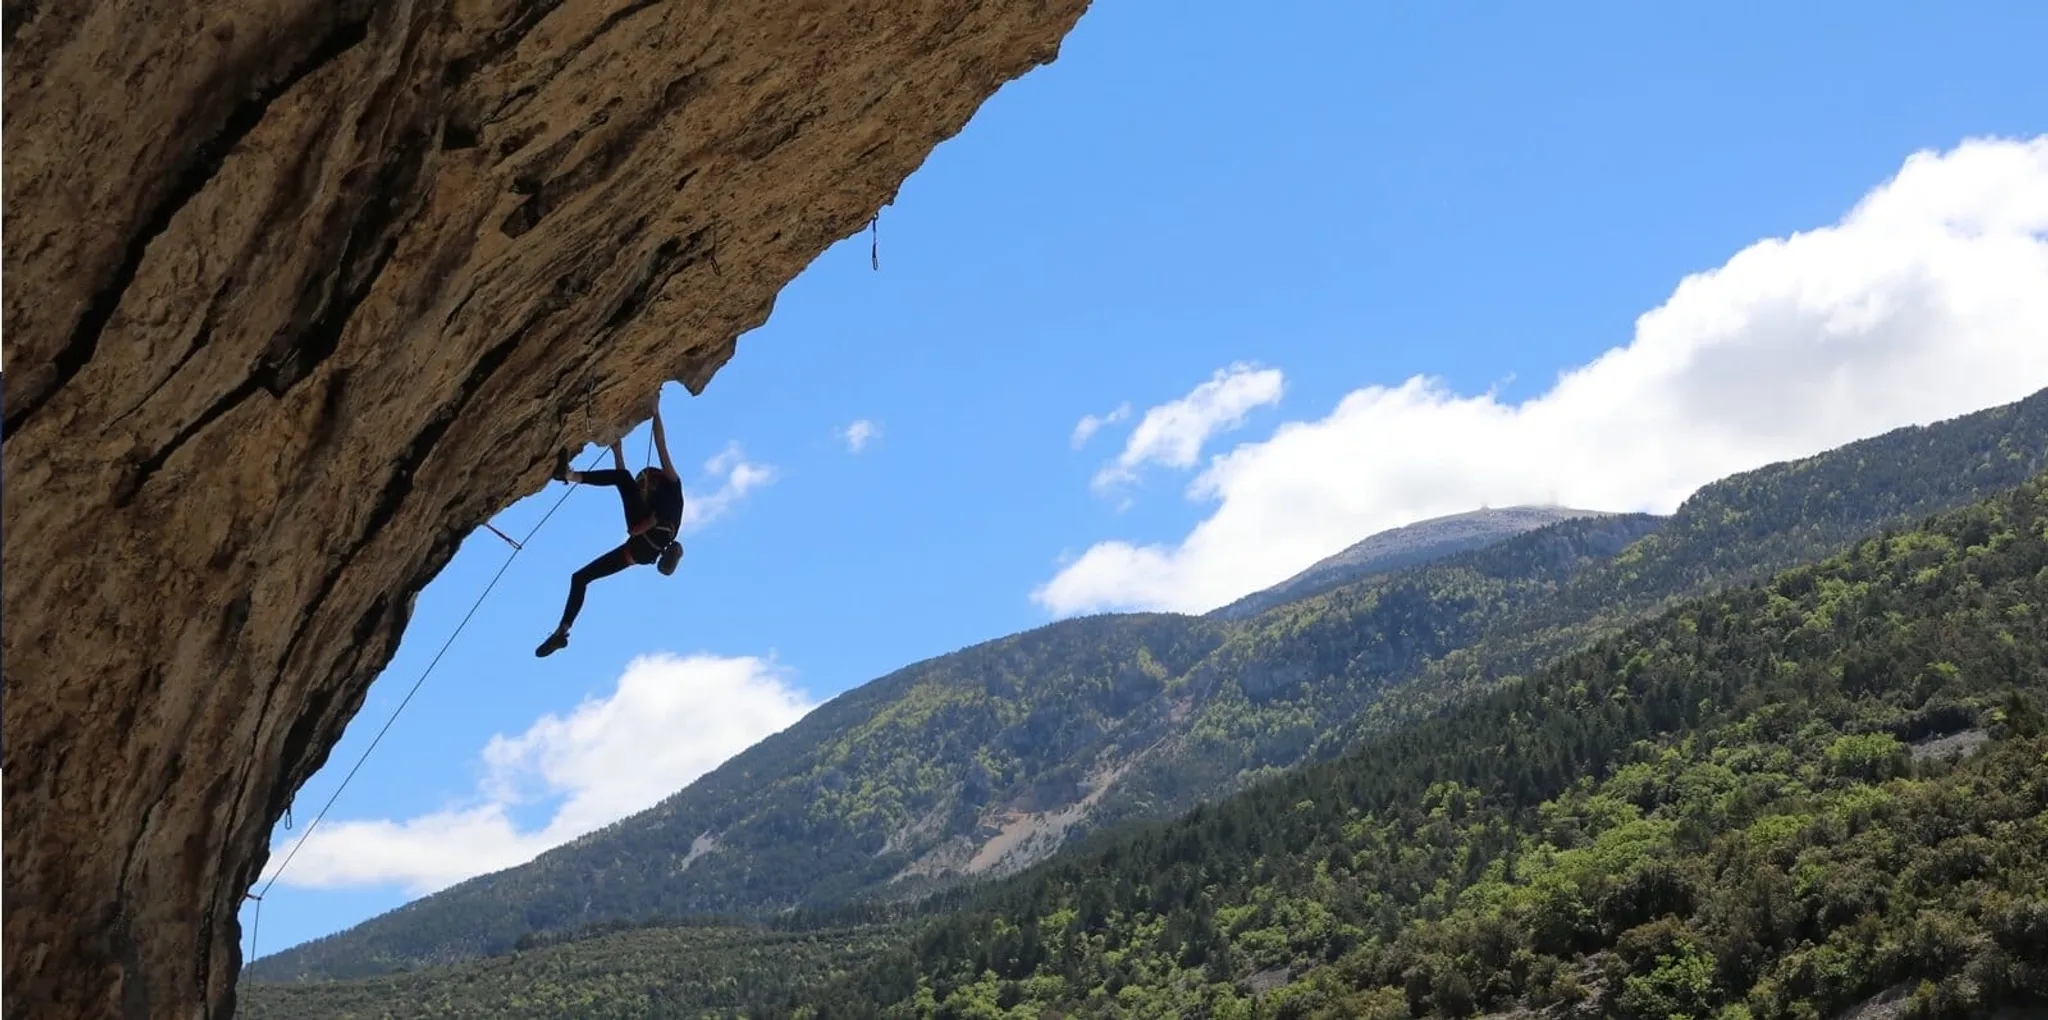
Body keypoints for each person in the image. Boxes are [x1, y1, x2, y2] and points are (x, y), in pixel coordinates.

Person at [535, 401, 685, 657]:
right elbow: (626, 491)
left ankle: (569, 475)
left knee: (624, 480)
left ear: (652, 482)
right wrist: (618, 452)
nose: (641, 492)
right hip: (638, 552)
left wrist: (656, 409)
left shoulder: (672, 488)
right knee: (580, 578)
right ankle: (562, 631)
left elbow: (660, 444)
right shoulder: (664, 504)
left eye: (643, 488)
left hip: (643, 539)